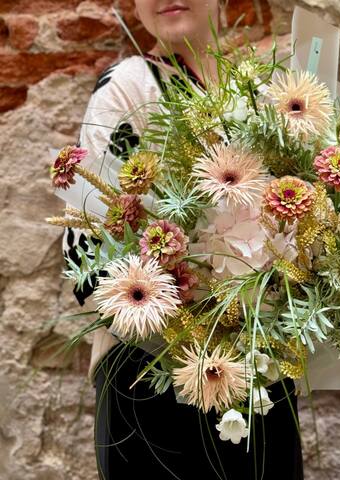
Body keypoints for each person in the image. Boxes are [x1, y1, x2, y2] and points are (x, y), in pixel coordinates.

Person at [62, 1, 304, 479]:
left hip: (262, 373)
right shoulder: (127, 90)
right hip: (155, 382)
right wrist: (196, 303)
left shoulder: (257, 92)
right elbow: (86, 262)